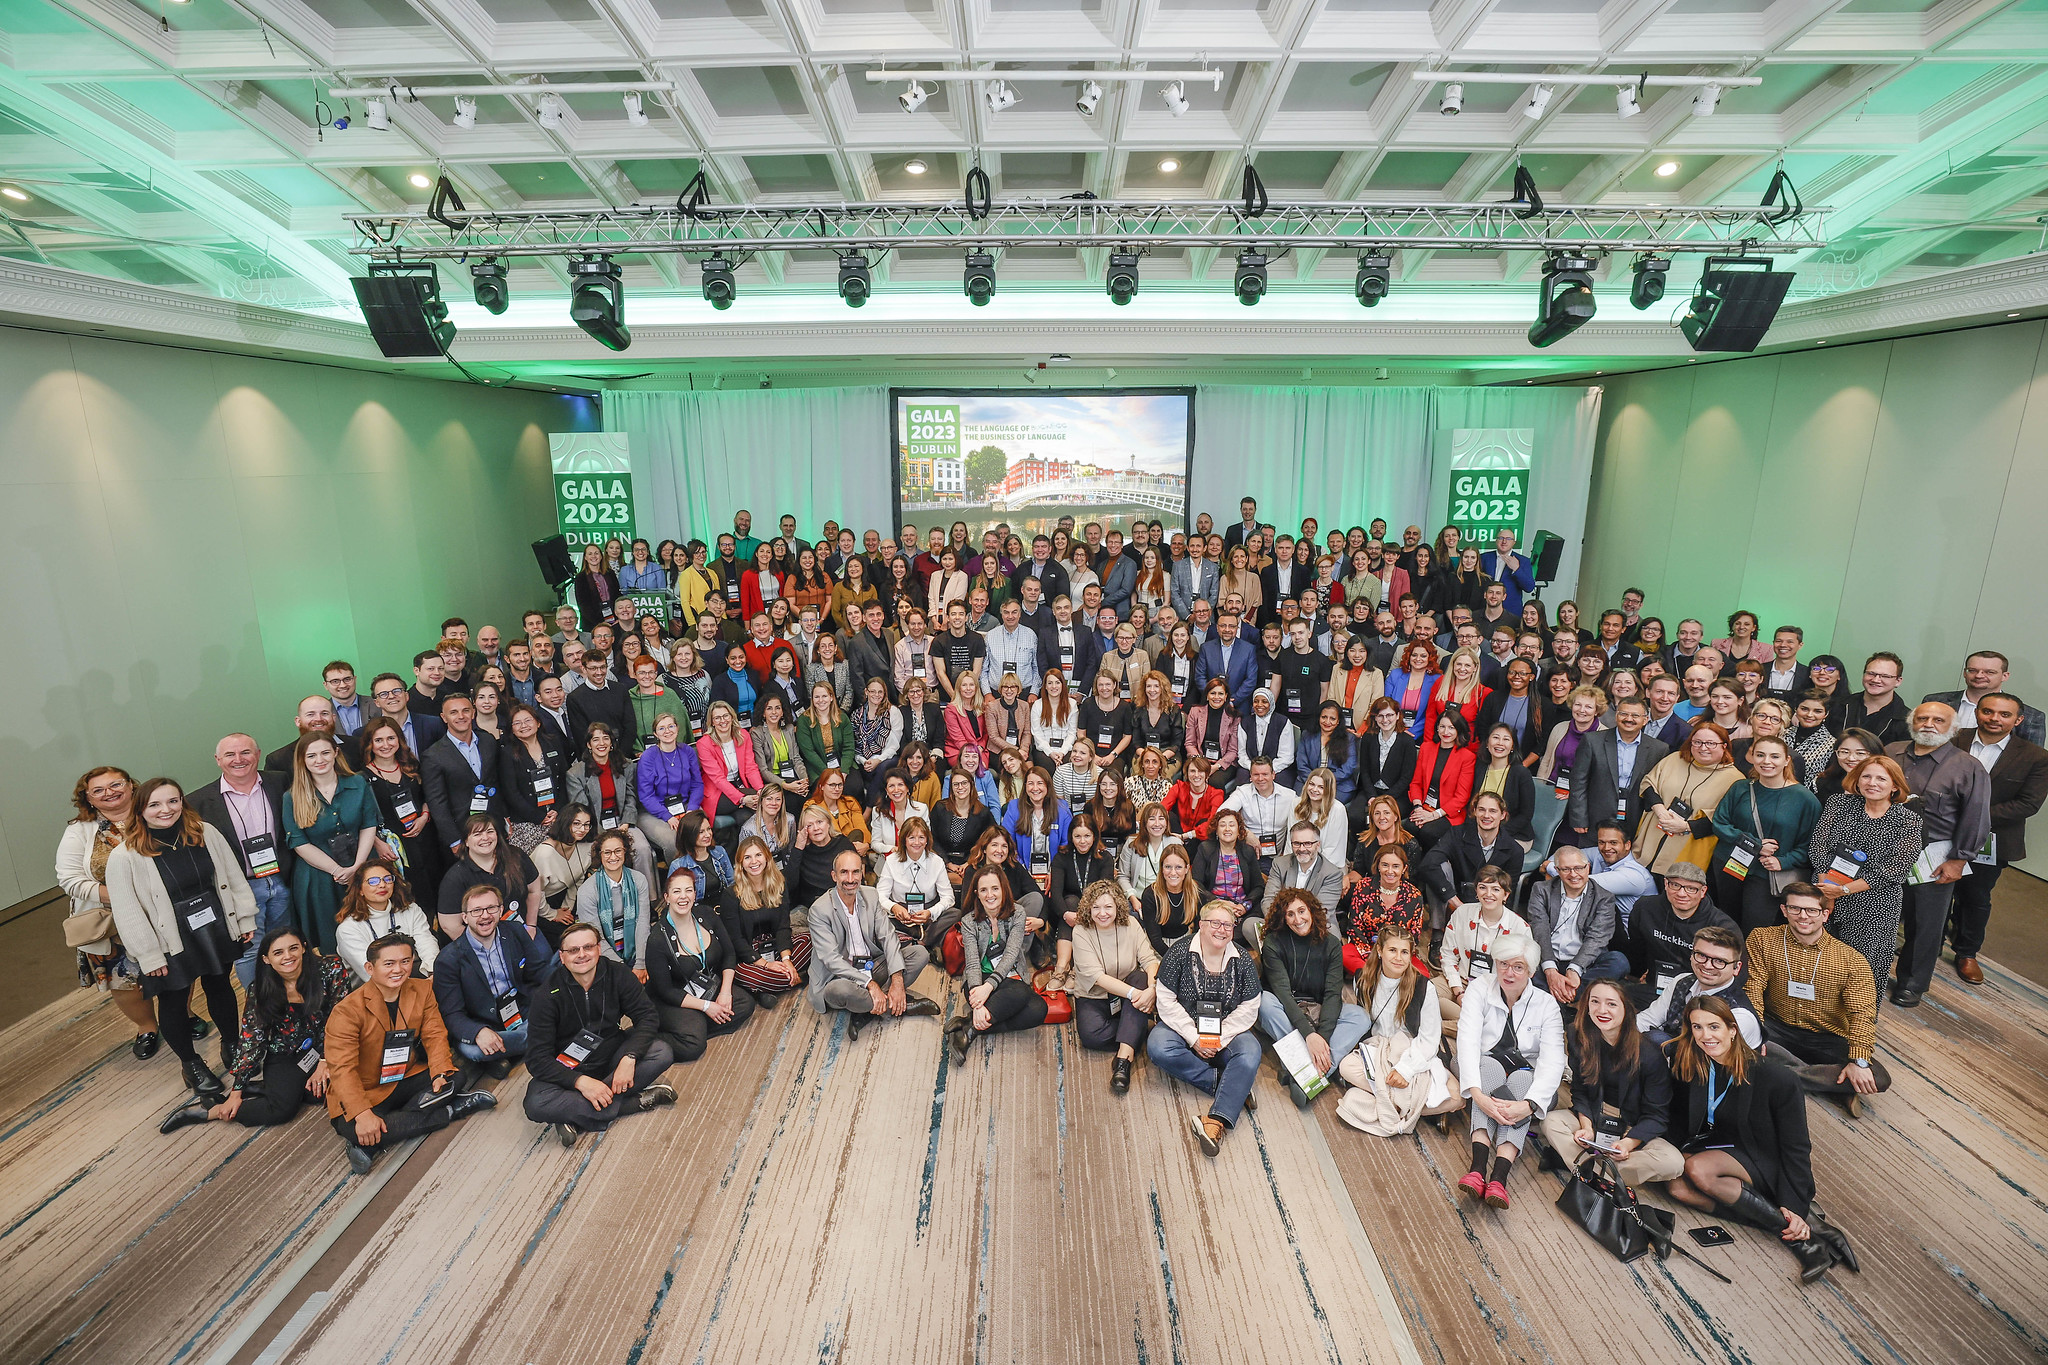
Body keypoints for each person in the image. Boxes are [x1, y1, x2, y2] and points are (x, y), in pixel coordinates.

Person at [1664, 994, 1856, 1283]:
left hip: (1758, 1152)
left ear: (1732, 1030)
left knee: (1698, 1170)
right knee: (1677, 1187)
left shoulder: (1776, 1078)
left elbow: (1797, 1146)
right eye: (1697, 1027)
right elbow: (1678, 1119)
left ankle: (1800, 1238)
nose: (1706, 1036)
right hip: (1713, 1143)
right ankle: (1805, 1232)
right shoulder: (1690, 1062)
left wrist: (1795, 1204)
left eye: (1714, 1027)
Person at [107, 777, 257, 1101]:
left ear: (182, 801)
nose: (166, 810)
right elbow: (128, 911)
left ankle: (233, 1045)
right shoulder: (125, 856)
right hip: (167, 939)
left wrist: (244, 917)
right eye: (155, 804)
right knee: (174, 1001)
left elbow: (231, 876)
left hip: (213, 925)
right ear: (140, 809)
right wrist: (148, 955)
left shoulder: (204, 832)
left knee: (219, 986)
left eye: (172, 801)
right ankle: (191, 1065)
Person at [323, 933, 495, 1173]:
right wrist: (362, 1114)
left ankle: (379, 1136)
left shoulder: (422, 989)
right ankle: (450, 1110)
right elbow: (342, 1070)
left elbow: (434, 1035)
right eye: (389, 964)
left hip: (404, 1074)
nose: (399, 969)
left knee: (455, 1077)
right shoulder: (346, 1012)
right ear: (370, 968)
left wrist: (438, 1073)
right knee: (354, 1126)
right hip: (365, 1090)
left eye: (405, 961)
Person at [159, 927, 353, 1134]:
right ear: (266, 959)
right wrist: (236, 1091)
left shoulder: (331, 969)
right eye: (278, 953)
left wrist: (325, 1061)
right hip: (288, 1052)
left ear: (304, 948)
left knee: (324, 1092)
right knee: (281, 1110)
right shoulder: (260, 990)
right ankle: (211, 1109)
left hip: (331, 1045)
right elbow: (252, 1040)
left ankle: (269, 1087)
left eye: (293, 948)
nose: (288, 956)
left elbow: (342, 1018)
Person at [59, 765, 192, 1055]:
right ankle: (147, 1027)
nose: (109, 793)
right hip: (111, 920)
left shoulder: (156, 814)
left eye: (116, 784)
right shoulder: (79, 832)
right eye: (98, 790)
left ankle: (183, 1014)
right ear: (89, 799)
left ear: (131, 786)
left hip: (163, 910)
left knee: (176, 964)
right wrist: (121, 897)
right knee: (126, 979)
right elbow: (69, 879)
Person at [523, 922, 677, 1147]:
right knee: (536, 1103)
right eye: (573, 950)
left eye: (588, 947)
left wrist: (630, 1057)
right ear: (562, 957)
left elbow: (648, 1017)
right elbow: (537, 1059)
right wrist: (582, 1083)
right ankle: (632, 1103)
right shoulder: (547, 995)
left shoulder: (618, 974)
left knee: (661, 1052)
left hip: (612, 1054)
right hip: (570, 1067)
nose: (582, 955)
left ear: (598, 948)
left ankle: (574, 1115)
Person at [1745, 886, 1892, 1114]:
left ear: (1825, 914)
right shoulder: (1762, 939)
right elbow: (1752, 988)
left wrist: (1859, 1062)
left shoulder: (1851, 960)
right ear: (1784, 910)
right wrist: (1754, 1033)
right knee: (1737, 1044)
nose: (1803, 916)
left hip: (1827, 1036)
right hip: (1775, 1027)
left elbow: (1862, 1014)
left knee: (1878, 1077)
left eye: (1811, 911)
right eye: (1795, 908)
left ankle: (1778, 1074)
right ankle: (1834, 1084)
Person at [1884, 702, 1991, 1007]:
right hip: (1882, 848)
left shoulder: (1968, 766)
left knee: (1925, 923)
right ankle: (1865, 972)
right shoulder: (1891, 751)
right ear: (1911, 722)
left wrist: (1958, 860)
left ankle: (1911, 984)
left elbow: (1977, 818)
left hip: (1932, 856)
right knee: (1876, 913)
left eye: (1938, 720)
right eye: (1922, 718)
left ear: (1953, 727)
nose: (1929, 724)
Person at [1454, 930, 1565, 1210]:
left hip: (1523, 1077)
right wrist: (1477, 1096)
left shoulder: (1546, 1004)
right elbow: (1466, 1041)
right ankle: (1478, 1169)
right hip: (1480, 1065)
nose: (1509, 972)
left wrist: (1527, 1106)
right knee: (1489, 1066)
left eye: (1518, 967)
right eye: (1503, 964)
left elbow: (1553, 1061)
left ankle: (1498, 1179)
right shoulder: (1480, 986)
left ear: (1530, 971)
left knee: (1524, 1079)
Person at [1538, 978, 1684, 1185]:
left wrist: (1628, 1144)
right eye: (1595, 1001)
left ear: (1626, 1009)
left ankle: (1581, 1166)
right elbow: (1580, 1090)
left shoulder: (1650, 1055)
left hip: (1631, 1127)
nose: (1602, 1010)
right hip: (1595, 1118)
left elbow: (1656, 1115)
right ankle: (1604, 1174)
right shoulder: (1577, 1036)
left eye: (1612, 1004)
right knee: (1550, 1122)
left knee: (1673, 1162)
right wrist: (1586, 1127)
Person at [1150, 901, 1265, 1157]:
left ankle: (1214, 1121)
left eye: (1227, 925)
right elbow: (1165, 999)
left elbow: (1250, 1005)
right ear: (1201, 925)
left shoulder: (1242, 960)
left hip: (1226, 1030)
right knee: (1158, 1046)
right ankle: (1234, 1087)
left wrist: (1219, 1039)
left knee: (1250, 1051)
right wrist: (1194, 1038)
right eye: (1215, 923)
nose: (1221, 930)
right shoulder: (1179, 952)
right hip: (1184, 1025)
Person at [1947, 694, 2048, 984]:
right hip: (1943, 830)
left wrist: (1972, 817)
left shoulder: (2036, 757)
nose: (1995, 718)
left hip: (1993, 838)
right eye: (1988, 711)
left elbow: (2027, 804)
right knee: (1934, 890)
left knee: (1975, 897)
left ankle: (1967, 953)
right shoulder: (1953, 738)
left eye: (2004, 715)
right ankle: (1926, 941)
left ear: (2018, 720)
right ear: (1977, 713)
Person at [1807, 752, 1922, 1001]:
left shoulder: (1908, 820)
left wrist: (1845, 890)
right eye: (1866, 776)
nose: (1872, 783)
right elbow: (1818, 845)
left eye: (1881, 778)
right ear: (1857, 781)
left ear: (1895, 786)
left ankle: (1856, 1025)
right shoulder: (1839, 804)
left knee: (1861, 968)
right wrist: (1829, 887)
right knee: (1817, 962)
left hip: (1874, 904)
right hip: (1825, 895)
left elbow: (1895, 868)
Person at [189, 735, 297, 988]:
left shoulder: (280, 782)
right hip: (242, 888)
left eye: (245, 752)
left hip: (282, 880)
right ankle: (259, 1009)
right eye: (229, 755)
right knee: (250, 951)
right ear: (218, 760)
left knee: (286, 945)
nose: (238, 760)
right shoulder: (198, 802)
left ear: (258, 754)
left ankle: (290, 1000)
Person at [1335, 926, 1459, 1135]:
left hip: (1412, 1049)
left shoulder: (1423, 987)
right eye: (1392, 950)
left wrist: (1405, 1070)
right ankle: (1411, 1107)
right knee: (1347, 1066)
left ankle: (1385, 1102)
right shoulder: (1363, 980)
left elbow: (1429, 1038)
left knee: (1456, 1097)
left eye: (1404, 952)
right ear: (1380, 951)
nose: (1398, 958)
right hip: (1377, 1049)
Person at [808, 847, 941, 1036]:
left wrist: (896, 980)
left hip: (871, 964)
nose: (850, 879)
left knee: (920, 954)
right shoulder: (819, 910)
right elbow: (832, 961)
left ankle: (866, 1010)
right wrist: (870, 984)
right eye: (844, 872)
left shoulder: (870, 895)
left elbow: (888, 936)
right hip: (839, 976)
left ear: (862, 873)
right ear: (834, 876)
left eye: (855, 872)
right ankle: (899, 1006)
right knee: (839, 991)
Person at [1255, 888, 1368, 1106]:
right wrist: (1309, 1035)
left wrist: (1321, 1037)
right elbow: (1283, 994)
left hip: (1318, 1007)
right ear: (1283, 918)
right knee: (1264, 1002)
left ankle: (1307, 1071)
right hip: (1285, 1009)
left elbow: (1333, 993)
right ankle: (1311, 1069)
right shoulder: (1273, 943)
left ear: (1312, 911)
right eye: (1290, 914)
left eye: (1301, 911)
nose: (1298, 919)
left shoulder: (1332, 944)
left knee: (1360, 1016)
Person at [434, 883, 554, 1076]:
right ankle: (541, 1038)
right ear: (464, 917)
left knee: (556, 998)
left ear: (500, 911)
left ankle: (509, 1048)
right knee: (473, 1050)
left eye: (491, 908)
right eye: (476, 910)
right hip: (486, 1025)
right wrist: (478, 1032)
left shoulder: (515, 931)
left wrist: (560, 994)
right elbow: (452, 1014)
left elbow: (539, 971)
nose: (485, 915)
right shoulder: (448, 960)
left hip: (524, 1010)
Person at [1706, 734, 1821, 933]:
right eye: (1760, 755)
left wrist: (1783, 861)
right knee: (1725, 925)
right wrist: (1755, 844)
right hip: (1730, 866)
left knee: (1755, 930)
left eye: (1774, 757)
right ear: (1752, 758)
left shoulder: (1805, 800)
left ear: (1786, 760)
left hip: (1767, 874)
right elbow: (1720, 823)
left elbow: (1811, 845)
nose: (1766, 761)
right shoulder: (1740, 787)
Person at [279, 734, 377, 957]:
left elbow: (369, 824)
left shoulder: (358, 783)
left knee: (375, 932)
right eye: (311, 755)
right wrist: (337, 871)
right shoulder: (292, 797)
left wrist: (357, 868)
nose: (319, 760)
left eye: (325, 752)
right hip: (321, 878)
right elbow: (299, 842)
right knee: (332, 941)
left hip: (364, 868)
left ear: (336, 753)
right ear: (302, 760)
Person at [646, 867, 756, 1063]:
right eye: (676, 891)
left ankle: (695, 1026)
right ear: (667, 897)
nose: (683, 897)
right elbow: (665, 991)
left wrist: (725, 992)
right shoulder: (657, 939)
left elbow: (729, 953)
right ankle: (652, 1032)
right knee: (693, 1046)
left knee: (745, 1004)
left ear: (695, 894)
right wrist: (706, 1006)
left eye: (688, 890)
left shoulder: (706, 914)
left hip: (706, 985)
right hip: (673, 997)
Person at [947, 867, 1049, 1056]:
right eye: (984, 890)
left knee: (1039, 1010)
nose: (990, 895)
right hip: (978, 981)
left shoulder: (1017, 913)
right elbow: (972, 963)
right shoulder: (969, 921)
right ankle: (969, 1033)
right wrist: (979, 997)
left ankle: (969, 1024)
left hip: (1009, 975)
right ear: (977, 894)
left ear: (1003, 889)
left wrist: (988, 990)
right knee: (1019, 994)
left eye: (995, 888)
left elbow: (1011, 955)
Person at [1070, 880, 1160, 1092]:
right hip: (1096, 995)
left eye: (1108, 907)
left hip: (1131, 989)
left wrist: (1152, 989)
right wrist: (1137, 996)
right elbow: (1097, 977)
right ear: (1088, 908)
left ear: (1118, 906)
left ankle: (1123, 1060)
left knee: (1140, 976)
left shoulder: (1131, 924)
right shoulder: (1081, 931)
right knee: (1091, 1037)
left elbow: (1149, 959)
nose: (1103, 913)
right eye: (1096, 907)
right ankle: (1137, 1027)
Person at [1523, 844, 1627, 1006]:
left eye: (1579, 868)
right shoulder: (1542, 889)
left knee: (1618, 962)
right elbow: (1539, 930)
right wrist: (1550, 971)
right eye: (1566, 869)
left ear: (1588, 868)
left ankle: (1561, 994)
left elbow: (1597, 938)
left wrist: (1574, 970)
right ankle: (1571, 996)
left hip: (1584, 964)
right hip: (1548, 959)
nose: (1574, 874)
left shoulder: (1603, 897)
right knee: (1521, 965)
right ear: (1557, 870)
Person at [1634, 722, 1741, 875]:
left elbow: (1724, 819)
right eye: (1697, 742)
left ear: (1724, 746)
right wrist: (1660, 810)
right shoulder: (1674, 759)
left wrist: (1686, 826)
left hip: (1687, 849)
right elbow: (1648, 784)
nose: (1703, 748)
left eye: (1710, 743)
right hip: (1651, 837)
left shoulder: (1735, 779)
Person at [1638, 923, 1761, 1048]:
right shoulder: (1681, 981)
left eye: (1719, 961)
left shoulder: (1740, 1015)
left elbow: (1708, 1060)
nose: (1707, 965)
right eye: (1701, 955)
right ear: (1691, 956)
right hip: (1672, 1054)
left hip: (1705, 1063)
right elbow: (1647, 1020)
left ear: (1736, 968)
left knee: (1655, 1039)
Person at [333, 859, 439, 983]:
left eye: (388, 879)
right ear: (360, 889)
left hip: (416, 975)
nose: (382, 885)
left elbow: (426, 943)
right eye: (373, 881)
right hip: (373, 989)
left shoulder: (411, 910)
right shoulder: (348, 928)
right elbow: (370, 973)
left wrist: (434, 973)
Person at [1923, 650, 2047, 745]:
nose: (1979, 676)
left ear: (2005, 676)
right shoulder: (1934, 702)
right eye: (1972, 670)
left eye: (1989, 672)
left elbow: (2031, 760)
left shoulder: (2032, 717)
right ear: (1964, 673)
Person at [1259, 821, 1345, 924]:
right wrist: (1284, 923)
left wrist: (1297, 924)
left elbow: (1321, 912)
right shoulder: (1280, 864)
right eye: (1297, 843)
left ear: (1318, 845)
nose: (1302, 849)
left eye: (1308, 843)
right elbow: (1269, 900)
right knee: (1249, 925)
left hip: (1317, 927)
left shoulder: (1332, 873)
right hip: (1282, 923)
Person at [574, 541, 623, 628]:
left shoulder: (610, 573)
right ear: (585, 557)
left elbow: (617, 596)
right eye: (590, 554)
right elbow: (583, 605)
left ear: (601, 556)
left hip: (614, 621)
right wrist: (601, 623)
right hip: (592, 624)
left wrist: (619, 617)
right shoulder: (580, 577)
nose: (593, 556)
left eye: (596, 553)